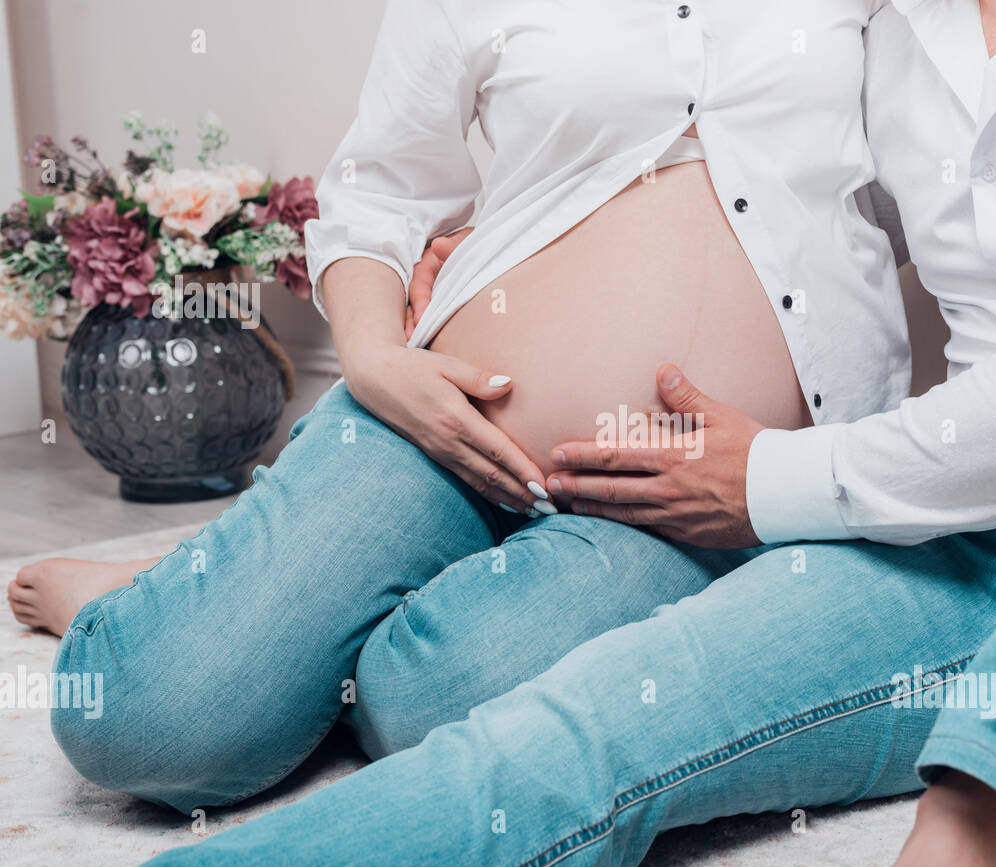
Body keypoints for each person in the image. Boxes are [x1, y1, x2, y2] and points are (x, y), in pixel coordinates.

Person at [141, 0, 996, 867]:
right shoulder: (890, 25)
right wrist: (505, 253)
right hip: (968, 542)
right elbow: (813, 220)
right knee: (576, 735)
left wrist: (778, 482)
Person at [11, 0, 910, 809]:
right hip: (442, 418)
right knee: (142, 718)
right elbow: (379, 189)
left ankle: (258, 606)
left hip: (681, 498)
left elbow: (938, 210)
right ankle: (170, 604)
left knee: (431, 704)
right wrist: (370, 354)